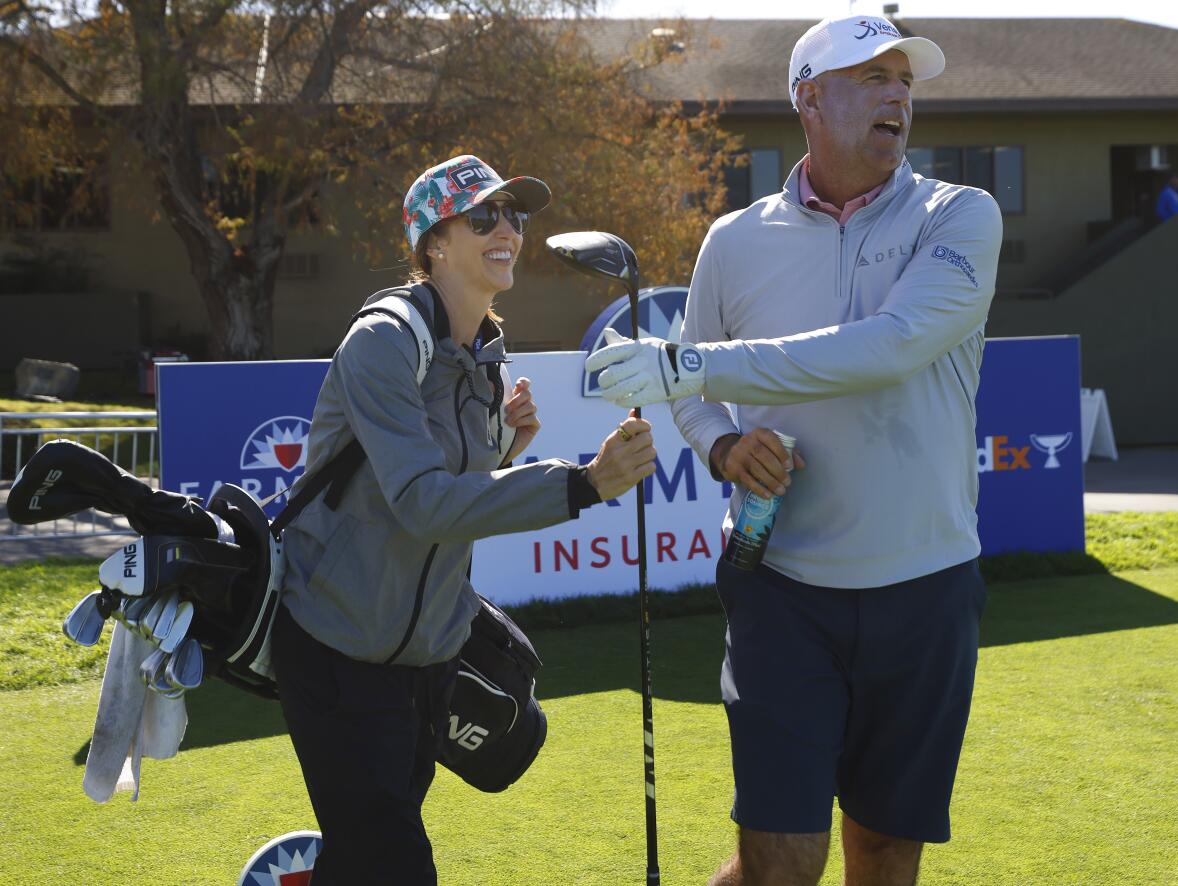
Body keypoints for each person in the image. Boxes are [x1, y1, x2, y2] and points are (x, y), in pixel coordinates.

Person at [586, 15, 1002, 886]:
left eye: (905, 81)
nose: (898, 94)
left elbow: (886, 345)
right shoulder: (734, 241)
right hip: (783, 588)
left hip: (925, 587)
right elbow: (695, 400)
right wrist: (726, 444)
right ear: (809, 98)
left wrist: (693, 366)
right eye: (873, 76)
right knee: (780, 857)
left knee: (885, 852)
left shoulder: (960, 215)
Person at [272, 154, 657, 884]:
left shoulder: (484, 359)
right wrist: (581, 484)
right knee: (394, 864)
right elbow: (422, 504)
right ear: (435, 243)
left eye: (515, 214)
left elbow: (453, 488)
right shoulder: (383, 340)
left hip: (427, 658)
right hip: (338, 647)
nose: (506, 229)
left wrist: (506, 446)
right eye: (483, 216)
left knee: (365, 858)